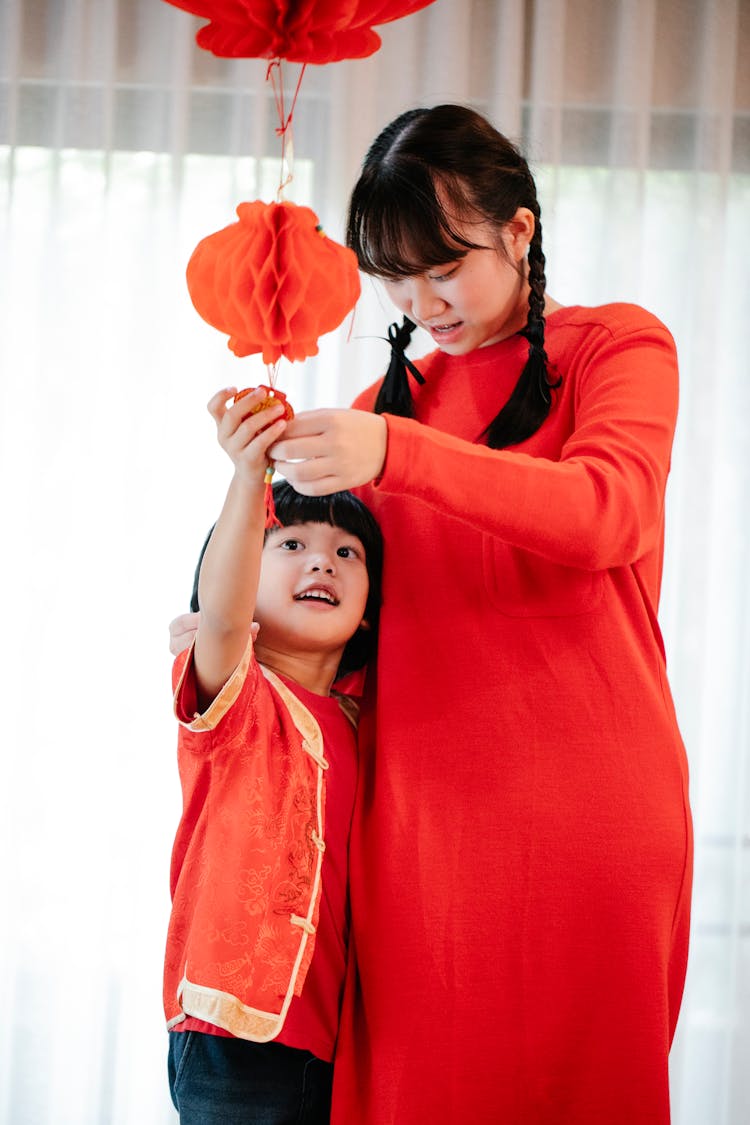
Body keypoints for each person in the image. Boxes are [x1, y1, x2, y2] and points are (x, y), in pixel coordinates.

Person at [263, 104, 693, 1124]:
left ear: (519, 231)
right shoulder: (378, 409)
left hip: (595, 815)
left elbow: (607, 514)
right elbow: (334, 629)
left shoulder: (615, 346)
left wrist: (398, 452)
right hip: (420, 830)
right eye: (395, 275)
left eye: (442, 266)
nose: (422, 300)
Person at [163, 386, 383, 1125]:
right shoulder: (237, 694)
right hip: (232, 1034)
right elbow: (222, 613)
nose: (321, 562)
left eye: (346, 553)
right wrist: (247, 475)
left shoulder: (365, 719)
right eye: (290, 544)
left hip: (335, 1048)